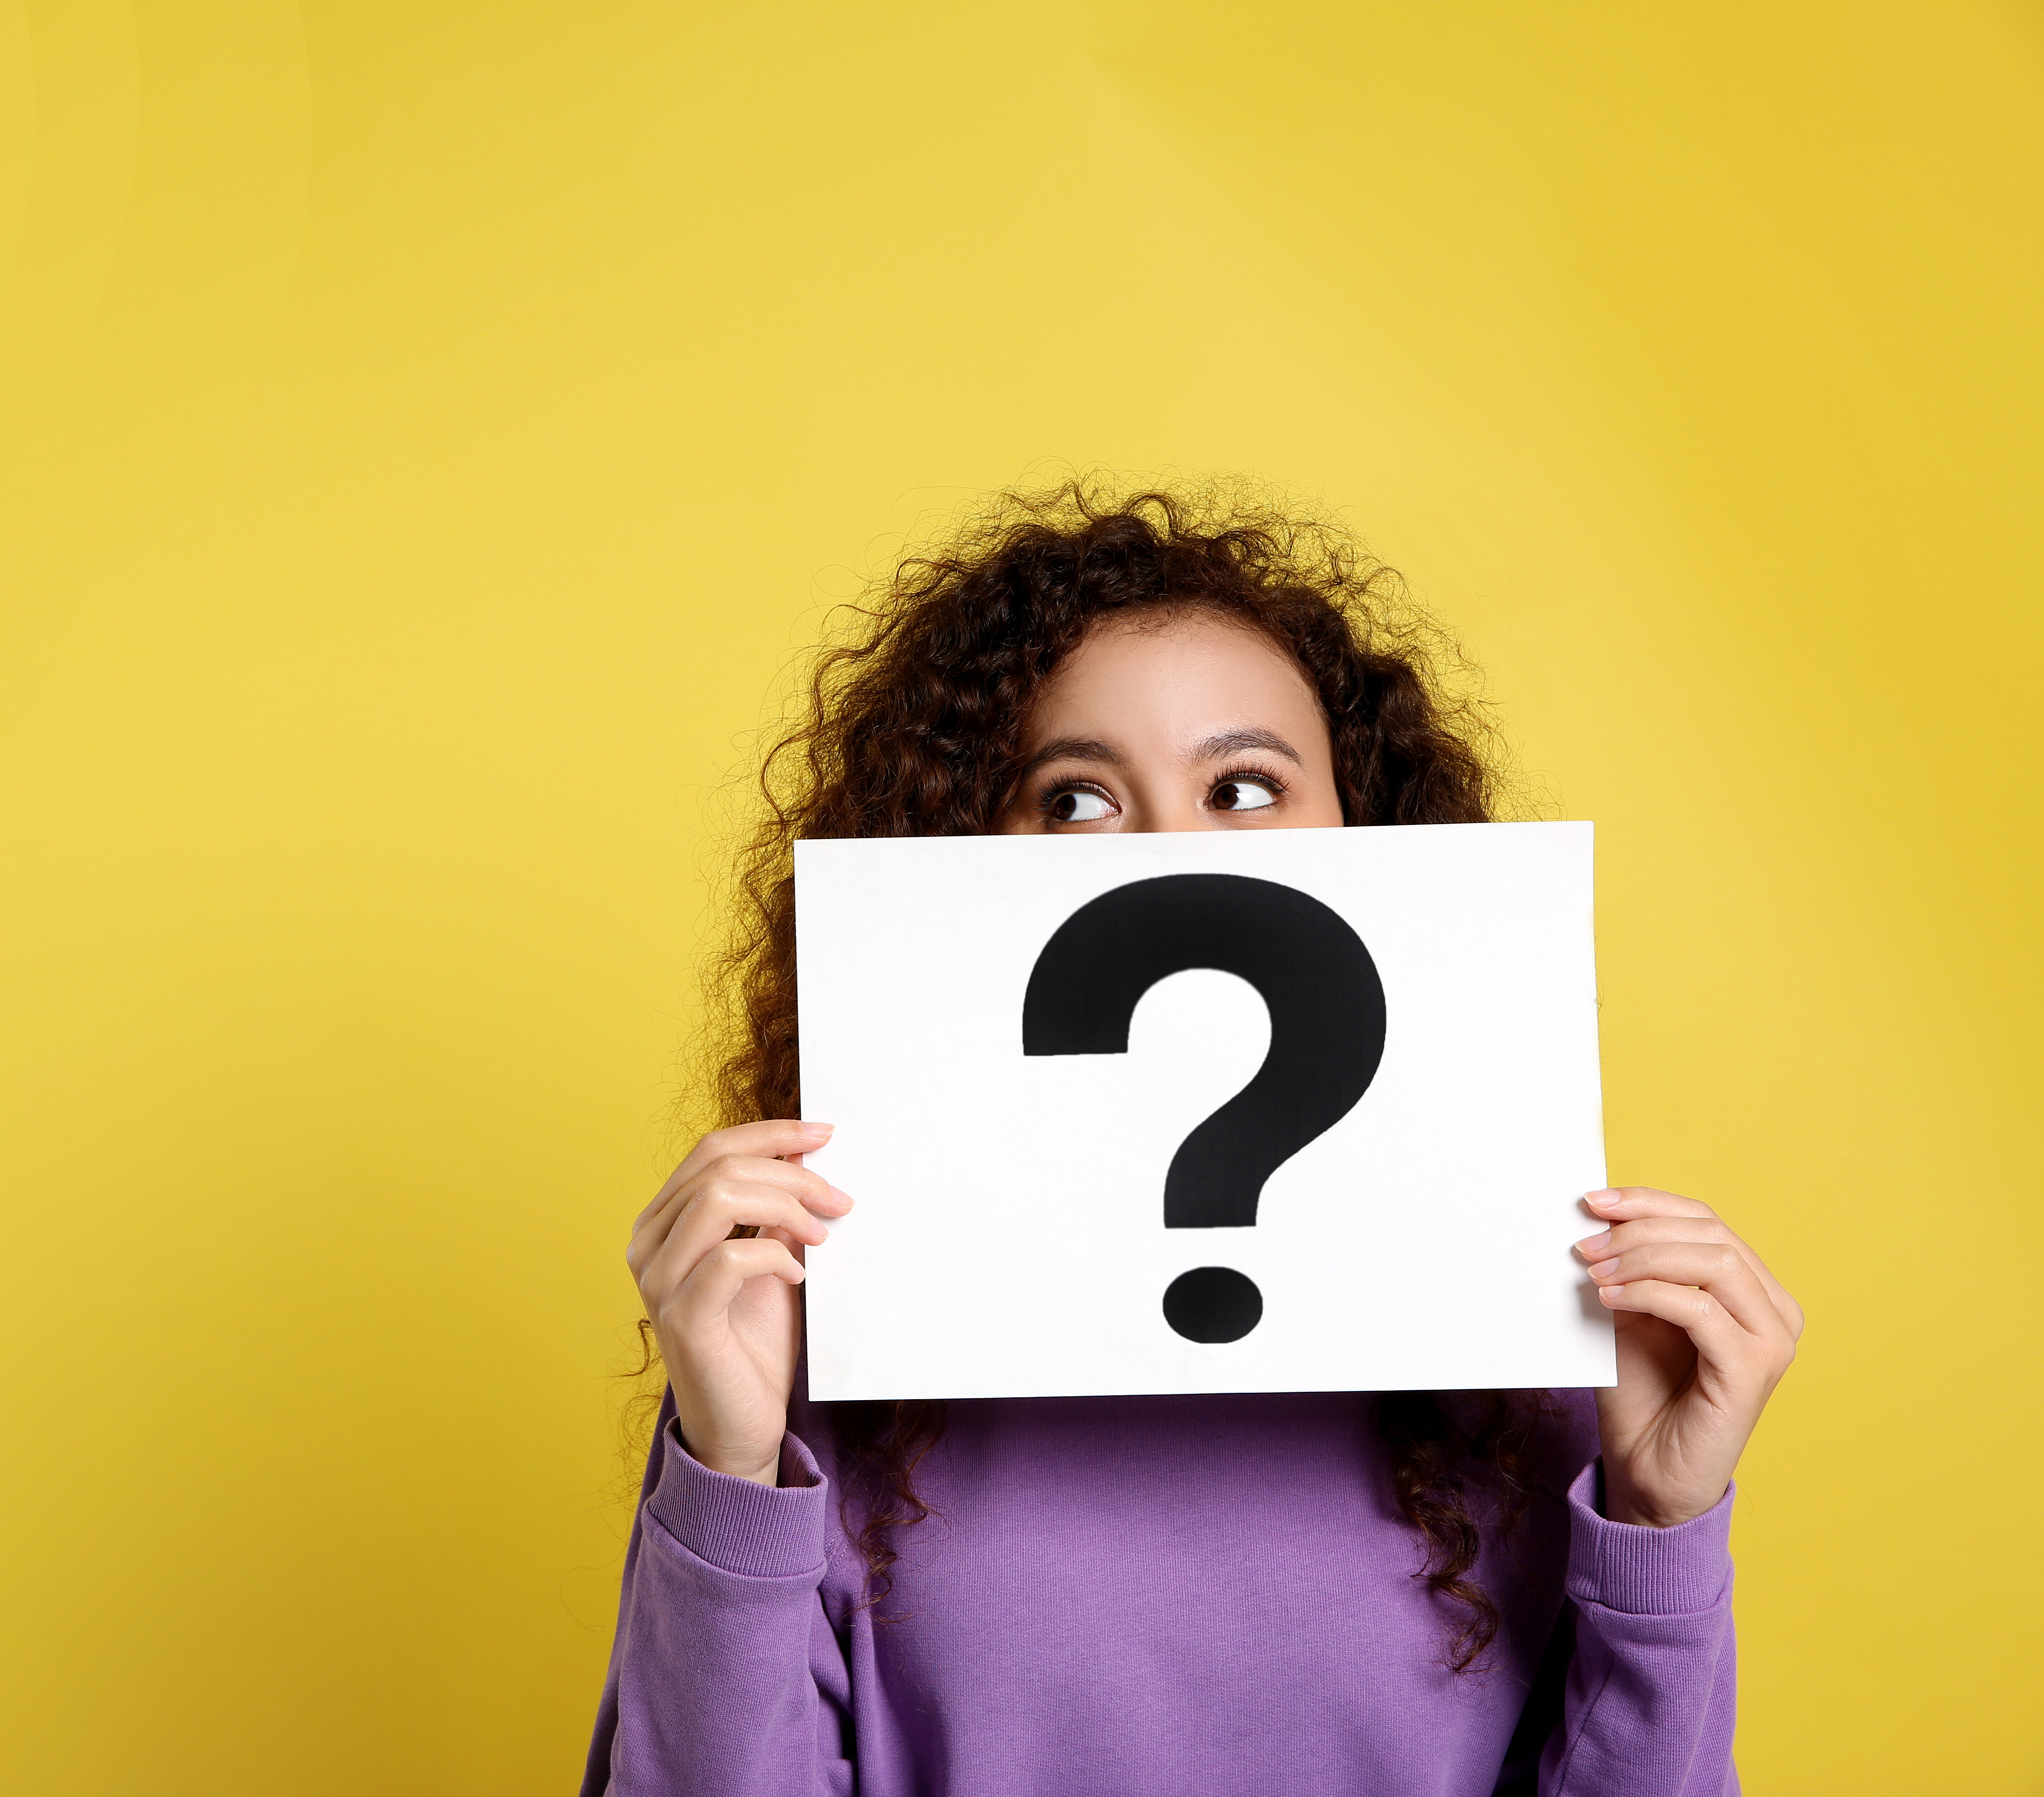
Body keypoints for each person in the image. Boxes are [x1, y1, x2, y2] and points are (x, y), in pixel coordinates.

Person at [582, 486, 1800, 1796]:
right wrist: (729, 1470)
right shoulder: (824, 1348)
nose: (1168, 853)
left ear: (1368, 831)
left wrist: (1661, 1531)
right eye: (1075, 803)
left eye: (1242, 786)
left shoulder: (1522, 1339)